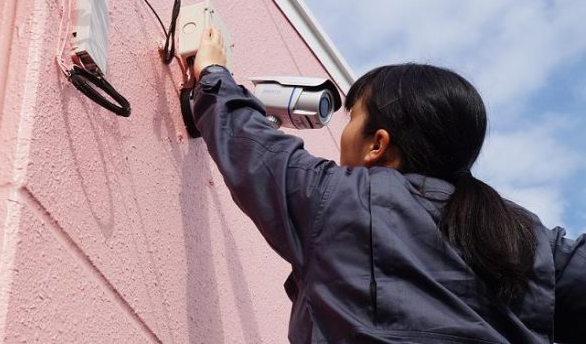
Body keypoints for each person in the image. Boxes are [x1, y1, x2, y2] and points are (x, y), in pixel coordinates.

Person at [187, 27, 586, 344]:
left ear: (378, 144)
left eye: (352, 118)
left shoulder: (341, 199)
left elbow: (253, 147)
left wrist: (212, 74)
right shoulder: (525, 238)